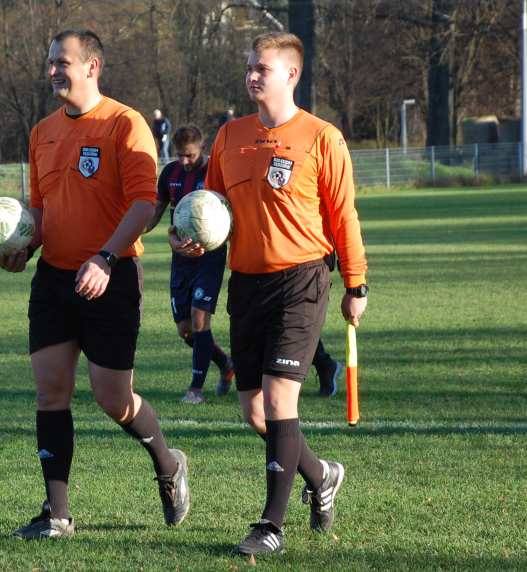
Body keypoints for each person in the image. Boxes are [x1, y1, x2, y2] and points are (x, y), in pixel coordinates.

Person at [0, 29, 190, 540]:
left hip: (113, 275)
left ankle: (168, 463)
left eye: (63, 62)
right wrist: (24, 246)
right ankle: (57, 512)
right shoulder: (42, 132)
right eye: (50, 63)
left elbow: (144, 203)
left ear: (92, 66)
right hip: (55, 278)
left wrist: (105, 257)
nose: (54, 71)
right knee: (50, 392)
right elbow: (40, 209)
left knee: (113, 398)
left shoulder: (125, 124)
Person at [203, 32, 368, 557]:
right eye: (249, 66)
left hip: (302, 279)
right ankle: (321, 475)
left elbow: (344, 215)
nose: (253, 75)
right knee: (256, 413)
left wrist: (355, 283)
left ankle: (270, 525)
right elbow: (211, 211)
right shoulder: (229, 136)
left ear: (291, 75)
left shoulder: (322, 137)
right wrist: (192, 236)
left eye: (263, 68)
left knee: (279, 400)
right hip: (246, 283)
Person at [145, 125, 235, 404]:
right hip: (181, 259)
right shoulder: (169, 174)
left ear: (202, 149)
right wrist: (129, 234)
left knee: (199, 319)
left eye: (190, 156)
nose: (184, 162)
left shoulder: (214, 174)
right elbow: (155, 214)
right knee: (185, 330)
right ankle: (226, 364)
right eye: (180, 155)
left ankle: (195, 389)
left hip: (210, 257)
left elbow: (231, 218)